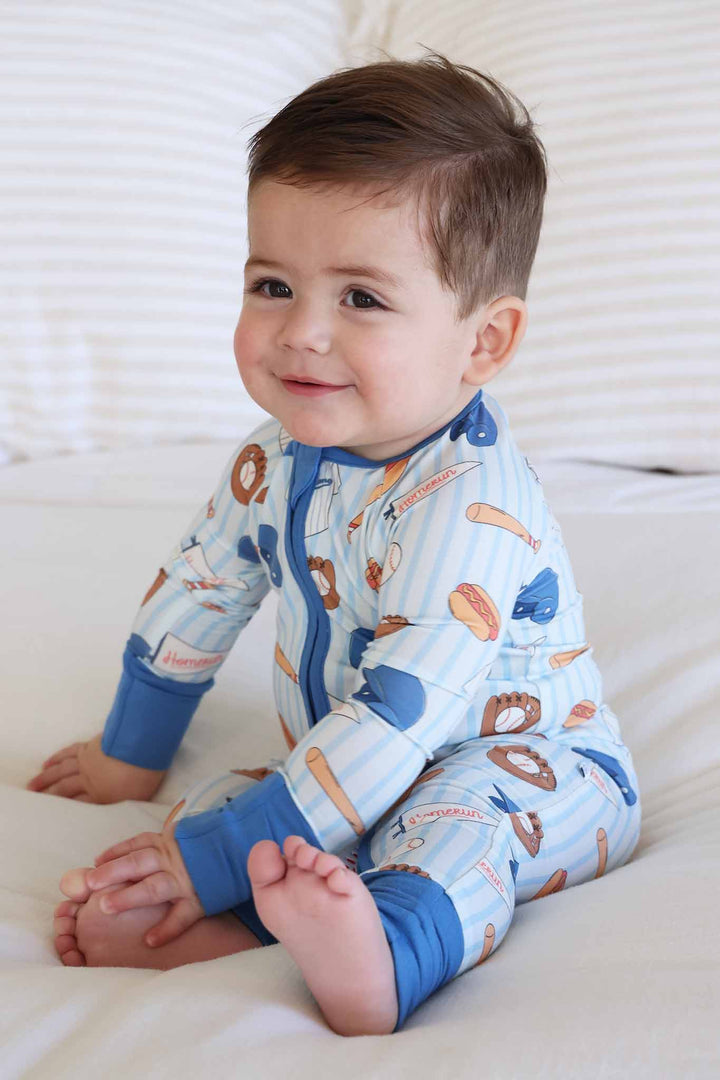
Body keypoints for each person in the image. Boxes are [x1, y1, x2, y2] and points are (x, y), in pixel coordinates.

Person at [27, 49, 641, 1036]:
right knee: (228, 804)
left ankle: (386, 958)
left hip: (524, 767)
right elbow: (201, 584)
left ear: (482, 342)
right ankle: (244, 926)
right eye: (273, 284)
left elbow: (399, 722)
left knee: (456, 832)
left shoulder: (471, 508)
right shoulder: (278, 456)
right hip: (350, 761)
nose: (302, 332)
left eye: (360, 298)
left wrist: (215, 858)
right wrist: (129, 758)